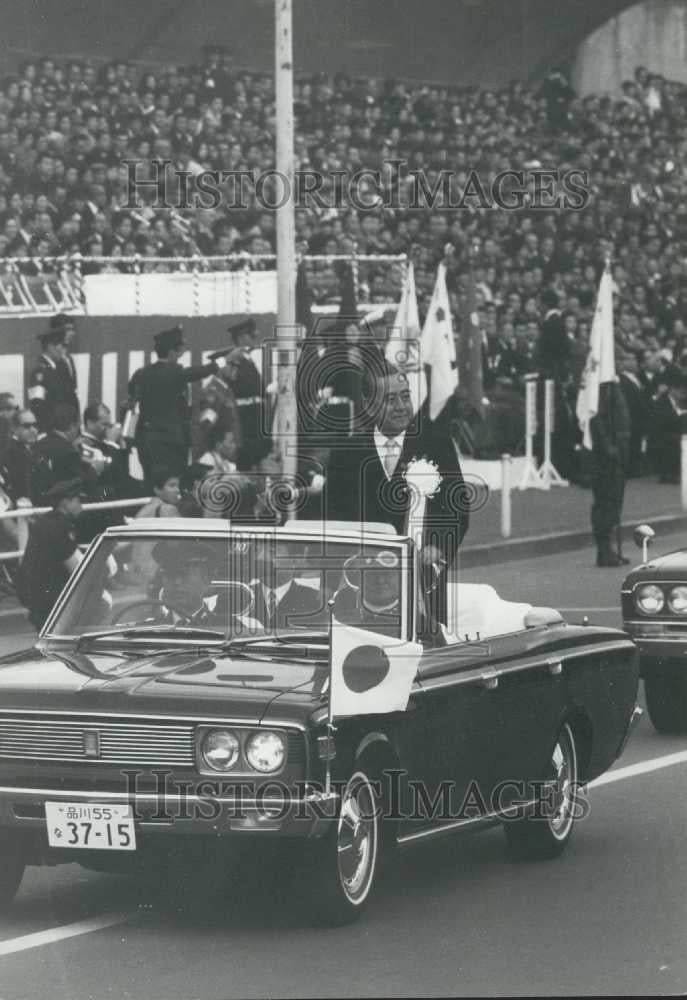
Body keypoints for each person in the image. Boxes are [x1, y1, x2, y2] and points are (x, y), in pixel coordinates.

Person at [324, 362, 469, 623]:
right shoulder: (345, 453)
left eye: (405, 396)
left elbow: (457, 508)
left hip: (423, 584)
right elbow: (332, 516)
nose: (401, 406)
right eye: (390, 399)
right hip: (362, 585)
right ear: (368, 404)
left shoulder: (436, 444)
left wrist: (438, 547)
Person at [128, 325, 220, 485]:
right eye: (179, 353)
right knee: (173, 483)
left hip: (146, 442)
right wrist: (222, 362)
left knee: (152, 484)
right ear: (171, 353)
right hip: (170, 443)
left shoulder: (140, 374)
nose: (179, 358)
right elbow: (196, 372)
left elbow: (132, 399)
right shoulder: (174, 372)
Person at [18, 477, 85, 630]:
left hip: (34, 593)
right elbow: (76, 569)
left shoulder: (48, 521)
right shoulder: (59, 527)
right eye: (78, 500)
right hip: (47, 598)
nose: (81, 506)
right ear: (65, 503)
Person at [219, 318, 270, 470]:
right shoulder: (235, 359)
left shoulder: (248, 360)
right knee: (247, 458)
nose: (254, 337)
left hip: (255, 417)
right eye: (251, 335)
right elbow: (231, 380)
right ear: (241, 338)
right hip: (245, 418)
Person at [590, 380, 631, 567]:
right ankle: (603, 549)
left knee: (615, 501)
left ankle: (609, 549)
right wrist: (608, 446)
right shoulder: (602, 386)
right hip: (606, 456)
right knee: (606, 501)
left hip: (620, 450)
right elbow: (596, 419)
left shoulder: (614, 386)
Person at [250, 538, 322, 632]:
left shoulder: (316, 601)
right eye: (257, 551)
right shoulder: (241, 595)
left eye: (272, 551)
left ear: (295, 560)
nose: (260, 558)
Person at [27, 327, 80, 432]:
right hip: (50, 429)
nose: (65, 350)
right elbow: (37, 404)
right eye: (63, 346)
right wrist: (49, 428)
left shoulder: (57, 369)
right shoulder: (40, 371)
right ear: (50, 346)